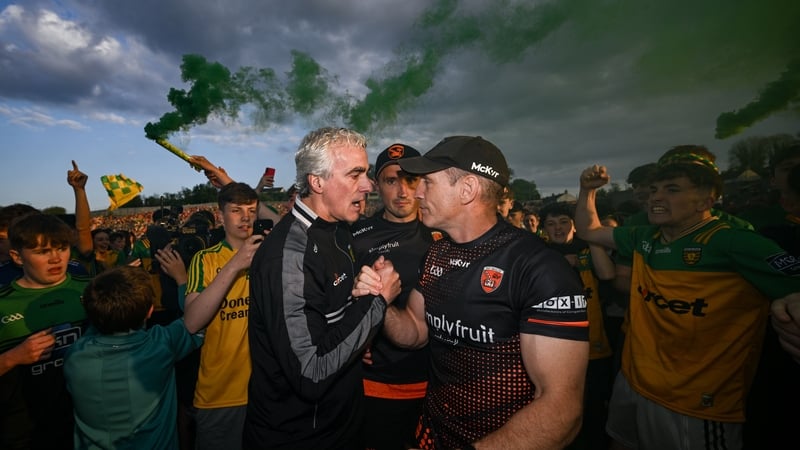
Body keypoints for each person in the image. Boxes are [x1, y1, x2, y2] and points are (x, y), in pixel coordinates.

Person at [357, 135, 590, 449]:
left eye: (427, 182)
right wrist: (381, 300)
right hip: (431, 434)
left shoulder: (538, 268)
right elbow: (415, 330)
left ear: (467, 189)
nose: (417, 192)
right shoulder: (437, 253)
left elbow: (562, 411)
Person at [574, 149, 800, 450]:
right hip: (632, 380)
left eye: (672, 190)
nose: (656, 197)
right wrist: (587, 191)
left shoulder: (736, 241)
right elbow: (589, 230)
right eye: (654, 190)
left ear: (706, 200)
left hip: (694, 402)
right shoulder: (644, 236)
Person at [244, 127, 401, 449]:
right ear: (317, 182)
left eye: (366, 173)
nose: (368, 185)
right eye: (355, 174)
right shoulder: (287, 257)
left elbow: (332, 319)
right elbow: (311, 371)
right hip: (299, 437)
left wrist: (361, 296)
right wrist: (377, 301)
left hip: (343, 424)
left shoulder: (339, 230)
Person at [351, 143, 437, 449]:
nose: (402, 191)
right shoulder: (356, 236)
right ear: (377, 185)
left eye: (410, 180)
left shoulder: (444, 234)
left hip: (438, 384)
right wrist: (356, 336)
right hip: (376, 384)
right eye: (391, 181)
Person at [63, 265, 203, 449]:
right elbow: (199, 317)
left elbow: (98, 321)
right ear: (150, 311)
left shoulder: (75, 356)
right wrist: (182, 280)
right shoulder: (161, 345)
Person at [182, 182, 263, 450]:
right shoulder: (205, 259)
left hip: (267, 391)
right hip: (220, 394)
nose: (246, 218)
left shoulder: (270, 255)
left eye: (251, 210)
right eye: (236, 210)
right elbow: (191, 322)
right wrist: (235, 264)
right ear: (221, 216)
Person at [0, 213, 90, 449]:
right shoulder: (3, 304)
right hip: (25, 431)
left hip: (87, 421)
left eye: (62, 248)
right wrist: (12, 357)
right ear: (17, 257)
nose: (55, 259)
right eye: (43, 252)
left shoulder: (91, 289)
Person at [538, 201, 615, 449]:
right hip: (555, 350)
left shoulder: (589, 249)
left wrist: (590, 242)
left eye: (564, 222)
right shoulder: (539, 254)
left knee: (594, 410)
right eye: (551, 224)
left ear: (574, 225)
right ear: (543, 229)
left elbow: (607, 275)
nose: (558, 228)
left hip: (594, 345)